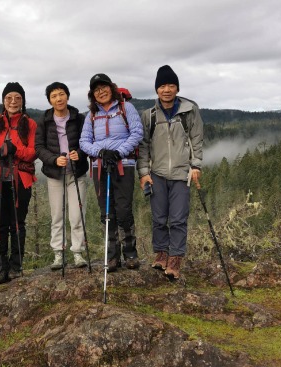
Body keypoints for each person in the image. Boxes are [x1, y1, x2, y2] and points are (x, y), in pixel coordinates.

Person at [137, 65, 203, 279]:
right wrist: (144, 172)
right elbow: (144, 146)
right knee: (158, 218)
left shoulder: (190, 111)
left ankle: (175, 259)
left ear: (177, 88)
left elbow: (197, 140)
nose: (167, 90)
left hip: (182, 174)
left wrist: (196, 166)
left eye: (171, 85)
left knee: (178, 219)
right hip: (156, 173)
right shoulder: (149, 115)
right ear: (157, 89)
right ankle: (161, 254)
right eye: (163, 86)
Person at [79, 73, 143, 272]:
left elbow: (137, 133)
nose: (101, 92)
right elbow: (84, 142)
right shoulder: (91, 115)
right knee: (107, 212)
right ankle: (112, 255)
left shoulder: (126, 108)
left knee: (123, 209)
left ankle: (130, 253)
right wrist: (100, 152)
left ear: (111, 88)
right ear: (93, 94)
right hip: (100, 166)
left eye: (104, 87)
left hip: (124, 164)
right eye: (96, 90)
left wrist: (118, 152)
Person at [0, 82, 38, 284]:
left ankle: (16, 266)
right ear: (3, 100)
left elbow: (33, 152)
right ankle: (0, 268)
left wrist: (15, 149)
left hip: (20, 179)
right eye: (9, 98)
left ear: (22, 101)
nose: (13, 102)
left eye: (17, 98)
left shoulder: (29, 124)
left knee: (17, 222)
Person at [35, 82, 89, 270]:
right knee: (57, 215)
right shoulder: (44, 120)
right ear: (50, 100)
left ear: (67, 95)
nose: (58, 98)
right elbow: (39, 147)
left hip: (77, 173)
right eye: (54, 96)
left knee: (77, 215)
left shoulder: (79, 118)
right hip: (54, 175)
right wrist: (53, 159)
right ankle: (58, 254)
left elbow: (87, 141)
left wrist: (80, 154)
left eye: (61, 94)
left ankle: (77, 253)